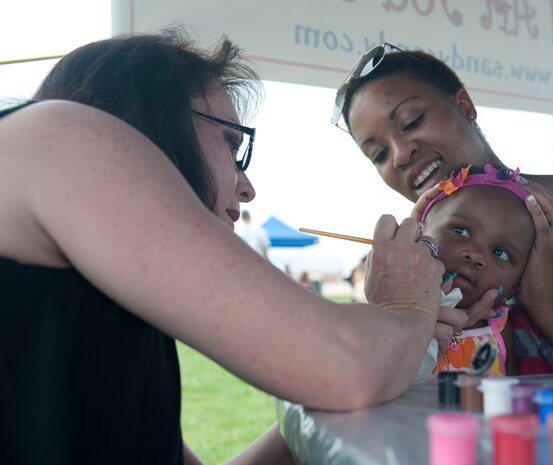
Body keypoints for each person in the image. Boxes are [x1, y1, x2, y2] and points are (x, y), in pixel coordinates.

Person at [0, 31, 445, 465]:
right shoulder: (58, 133)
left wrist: (396, 346)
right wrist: (404, 310)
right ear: (150, 115)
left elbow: (340, 372)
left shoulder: (105, 305)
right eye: (233, 143)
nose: (247, 188)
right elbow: (348, 366)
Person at [333, 43, 553, 375]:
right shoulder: (417, 273)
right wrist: (403, 318)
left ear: (465, 106)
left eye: (412, 121)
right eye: (378, 154)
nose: (399, 155)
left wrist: (548, 308)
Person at [418, 164, 533, 377]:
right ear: (419, 235)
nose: (477, 255)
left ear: (514, 287)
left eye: (500, 253)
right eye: (460, 230)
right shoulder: (397, 309)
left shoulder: (499, 327)